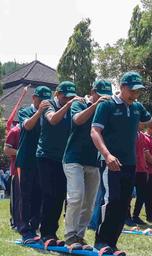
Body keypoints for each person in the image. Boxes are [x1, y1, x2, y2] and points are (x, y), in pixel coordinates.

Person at [91, 71, 152, 255]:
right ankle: (100, 242)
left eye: (138, 91)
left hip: (130, 164)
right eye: (132, 90)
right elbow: (95, 132)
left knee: (123, 204)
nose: (135, 95)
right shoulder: (106, 105)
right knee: (111, 200)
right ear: (122, 87)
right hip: (110, 162)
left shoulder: (137, 107)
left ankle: (112, 243)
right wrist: (107, 155)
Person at [62, 80, 112, 250]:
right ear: (93, 92)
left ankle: (79, 236)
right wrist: (95, 104)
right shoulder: (79, 103)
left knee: (89, 203)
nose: (105, 98)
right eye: (101, 94)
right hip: (73, 159)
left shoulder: (106, 110)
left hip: (93, 161)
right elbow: (77, 120)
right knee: (76, 197)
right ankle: (70, 236)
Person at [36, 81, 81, 246]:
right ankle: (46, 233)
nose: (67, 99)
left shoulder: (72, 109)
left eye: (71, 96)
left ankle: (52, 232)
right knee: (49, 195)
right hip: (46, 157)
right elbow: (53, 120)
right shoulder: (49, 105)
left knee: (61, 196)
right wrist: (69, 105)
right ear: (58, 94)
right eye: (65, 96)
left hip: (63, 159)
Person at [16, 86, 52, 244]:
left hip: (42, 161)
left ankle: (34, 225)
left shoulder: (48, 115)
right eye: (41, 99)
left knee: (40, 194)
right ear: (34, 98)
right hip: (26, 160)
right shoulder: (25, 111)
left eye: (46, 99)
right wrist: (38, 113)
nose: (43, 102)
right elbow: (28, 126)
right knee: (26, 195)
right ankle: (24, 229)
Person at [4, 124, 21, 230]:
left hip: (32, 169)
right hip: (16, 170)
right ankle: (15, 222)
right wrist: (21, 152)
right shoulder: (14, 131)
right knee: (17, 198)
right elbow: (6, 149)